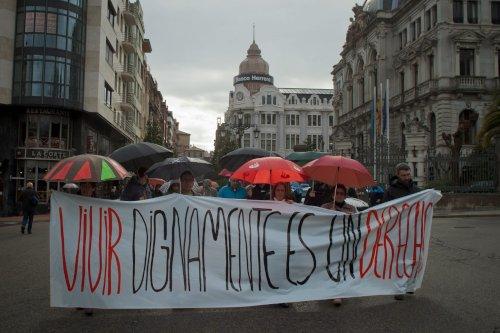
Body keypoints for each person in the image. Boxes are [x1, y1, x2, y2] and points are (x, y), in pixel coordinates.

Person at [383, 163, 420, 301]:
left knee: (413, 259)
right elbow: (385, 210)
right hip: (397, 231)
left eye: (408, 174)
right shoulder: (390, 191)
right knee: (399, 260)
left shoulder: (417, 190)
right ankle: (398, 288)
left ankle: (410, 286)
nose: (406, 177)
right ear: (397, 175)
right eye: (403, 175)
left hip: (413, 230)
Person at [321, 183, 357, 306]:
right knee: (331, 267)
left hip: (345, 243)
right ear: (333, 195)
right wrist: (328, 214)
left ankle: (338, 293)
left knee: (342, 267)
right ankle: (332, 290)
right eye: (337, 193)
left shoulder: (351, 209)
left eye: (342, 194)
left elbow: (357, 223)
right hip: (329, 243)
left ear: (345, 196)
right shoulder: (325, 207)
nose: (339, 195)